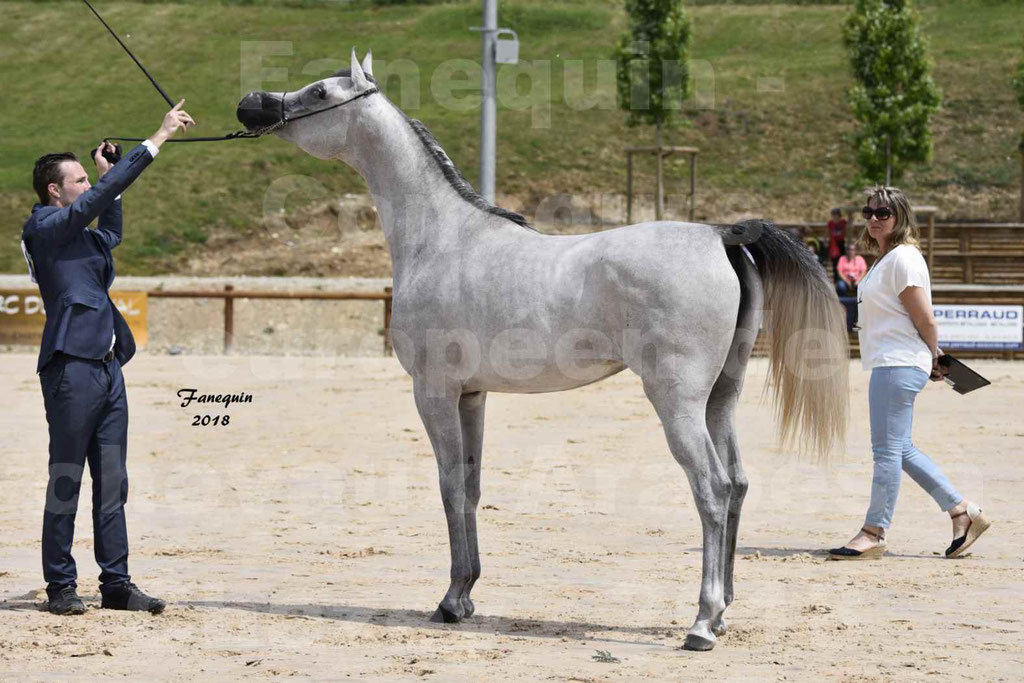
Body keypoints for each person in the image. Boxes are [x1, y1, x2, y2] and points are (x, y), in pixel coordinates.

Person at [21, 101, 195, 614]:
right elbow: (91, 205)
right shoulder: (45, 229)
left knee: (113, 482)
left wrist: (107, 177)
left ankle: (116, 584)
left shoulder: (82, 236)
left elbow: (110, 231)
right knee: (67, 477)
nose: (86, 186)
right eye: (78, 180)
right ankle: (60, 587)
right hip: (70, 368)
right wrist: (156, 138)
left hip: (105, 368)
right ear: (55, 190)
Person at [828, 186, 991, 561]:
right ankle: (961, 511)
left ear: (899, 217)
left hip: (898, 363)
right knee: (900, 449)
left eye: (882, 213)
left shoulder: (903, 258)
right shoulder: (887, 259)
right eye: (869, 211)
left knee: (886, 451)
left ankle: (873, 531)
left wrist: (935, 356)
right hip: (892, 361)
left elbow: (925, 318)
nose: (873, 218)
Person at [827, 207, 846, 277]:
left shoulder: (843, 222)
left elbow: (849, 228)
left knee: (842, 260)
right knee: (834, 262)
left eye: (836, 215)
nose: (835, 216)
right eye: (833, 215)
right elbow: (828, 233)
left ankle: (842, 277)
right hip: (833, 244)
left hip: (841, 243)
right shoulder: (830, 223)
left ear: (839, 215)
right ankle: (836, 278)